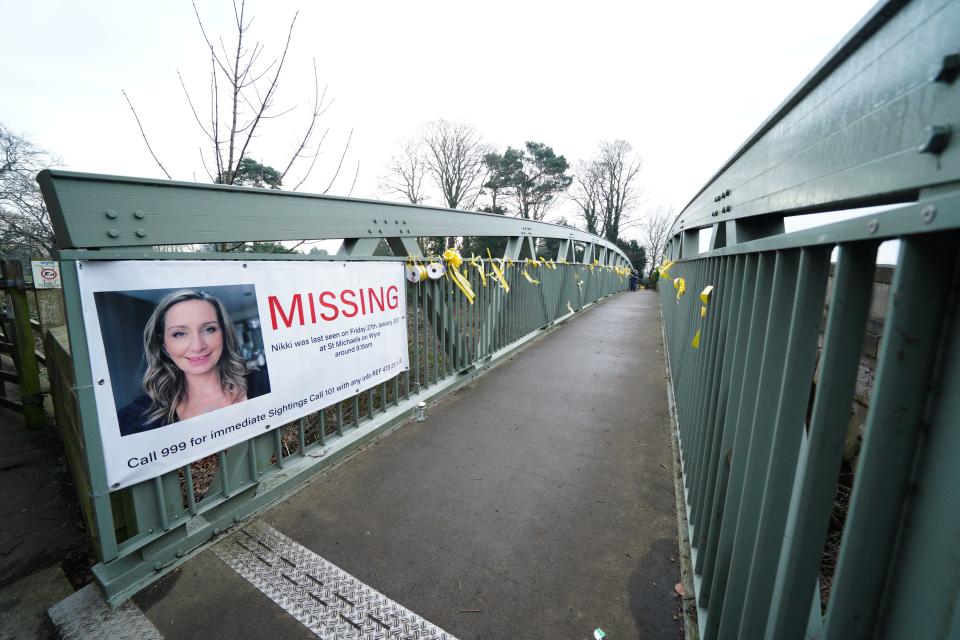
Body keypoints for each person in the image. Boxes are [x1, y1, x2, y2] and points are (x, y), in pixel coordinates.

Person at [118, 290, 269, 436]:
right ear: (164, 345)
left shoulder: (264, 381)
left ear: (224, 334)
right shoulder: (134, 420)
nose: (197, 346)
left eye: (209, 329)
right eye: (180, 333)